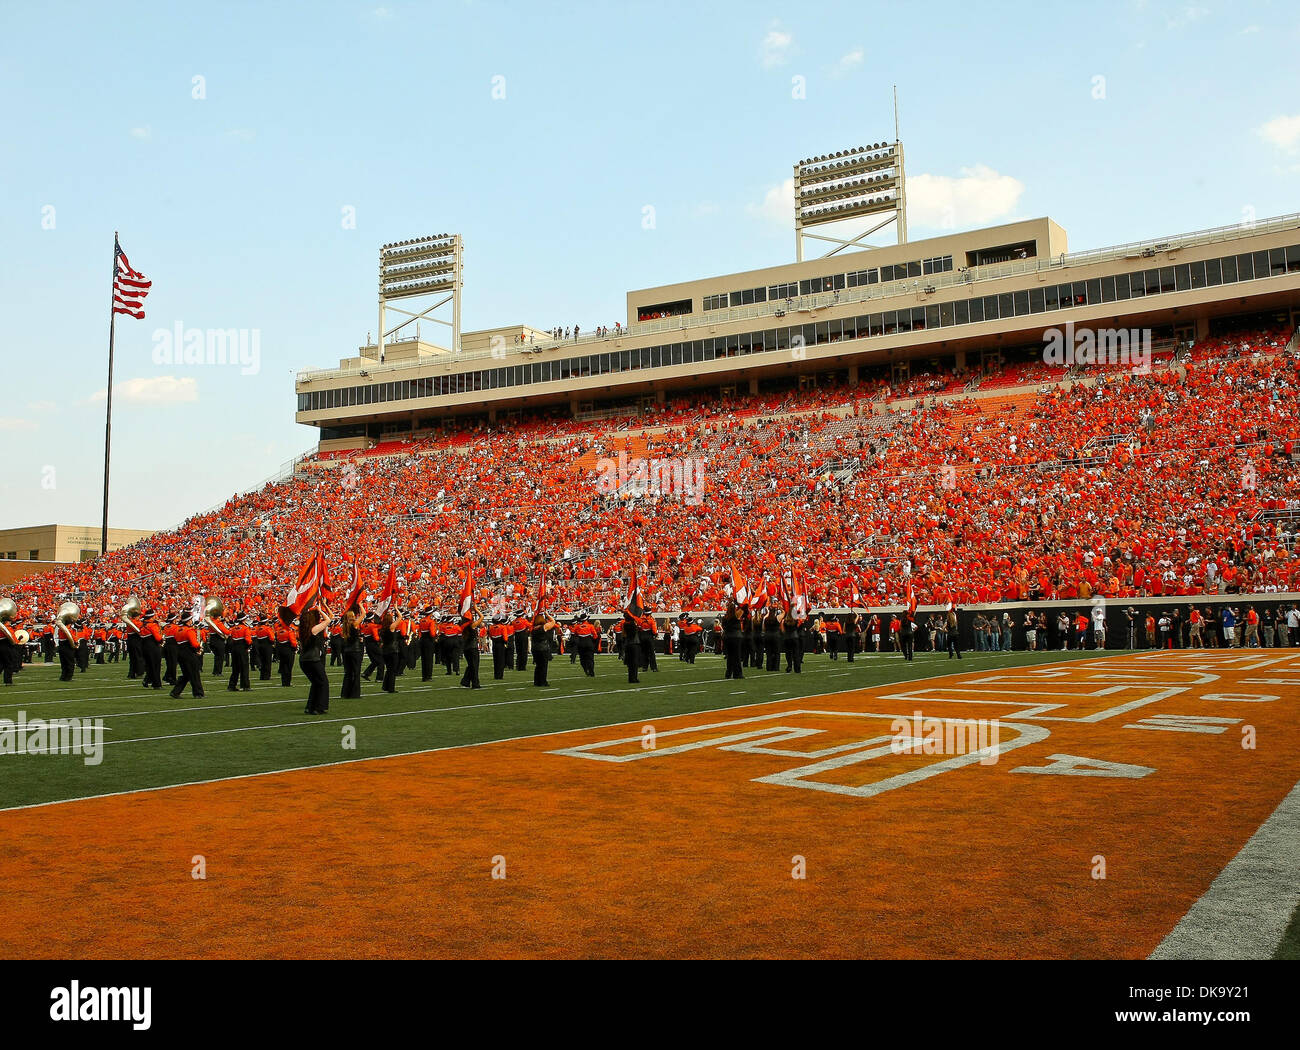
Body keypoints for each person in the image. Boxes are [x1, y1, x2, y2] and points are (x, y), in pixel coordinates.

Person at [298, 602, 332, 715]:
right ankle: (319, 707)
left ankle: (310, 707)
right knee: (323, 682)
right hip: (313, 660)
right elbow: (328, 620)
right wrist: (320, 610)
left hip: (304, 660)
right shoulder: (313, 630)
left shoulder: (303, 630)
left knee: (316, 683)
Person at [170, 613, 206, 699]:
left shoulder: (177, 630)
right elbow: (194, 643)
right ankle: (198, 693)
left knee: (186, 674)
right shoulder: (189, 630)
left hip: (180, 653)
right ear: (189, 621)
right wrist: (199, 647)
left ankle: (175, 692)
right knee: (194, 674)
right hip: (189, 653)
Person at [339, 606, 363, 699]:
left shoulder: (345, 625)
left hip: (346, 651)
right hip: (355, 651)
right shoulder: (354, 624)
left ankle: (345, 693)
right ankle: (355, 694)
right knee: (356, 673)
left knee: (348, 673)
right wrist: (360, 604)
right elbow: (364, 614)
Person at [225, 613, 252, 692]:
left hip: (234, 649)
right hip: (242, 648)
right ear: (243, 620)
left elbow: (231, 639)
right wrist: (249, 646)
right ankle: (245, 686)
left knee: (235, 668)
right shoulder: (245, 628)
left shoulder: (233, 628)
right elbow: (248, 640)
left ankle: (231, 685)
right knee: (244, 667)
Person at [460, 607, 484, 689]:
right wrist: (476, 609)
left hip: (466, 648)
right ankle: (475, 683)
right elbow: (482, 617)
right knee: (474, 666)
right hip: (472, 648)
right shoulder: (472, 625)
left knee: (471, 665)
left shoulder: (463, 626)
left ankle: (465, 681)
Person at [722, 601, 744, 680]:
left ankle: (728, 673)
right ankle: (737, 674)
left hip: (727, 637)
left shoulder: (725, 617)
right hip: (736, 637)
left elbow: (723, 627)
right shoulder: (736, 616)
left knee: (730, 656)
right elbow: (744, 608)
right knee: (737, 656)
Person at [380, 610, 400, 693]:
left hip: (385, 650)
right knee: (392, 670)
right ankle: (391, 688)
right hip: (392, 651)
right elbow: (400, 618)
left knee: (389, 669)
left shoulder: (382, 628)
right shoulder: (391, 627)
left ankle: (385, 686)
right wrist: (396, 608)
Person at [275, 615, 298, 687]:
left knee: (283, 666)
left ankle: (283, 682)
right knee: (289, 666)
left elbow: (278, 639)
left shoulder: (279, 631)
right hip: (288, 649)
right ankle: (287, 682)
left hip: (281, 649)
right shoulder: (289, 631)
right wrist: (295, 648)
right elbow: (293, 642)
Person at [532, 612, 553, 687]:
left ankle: (536, 681)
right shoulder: (544, 627)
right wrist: (547, 615)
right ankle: (543, 682)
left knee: (538, 666)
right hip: (543, 648)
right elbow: (553, 622)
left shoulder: (533, 628)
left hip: (535, 648)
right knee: (543, 666)